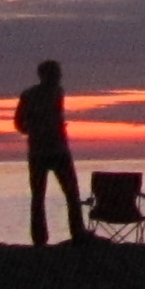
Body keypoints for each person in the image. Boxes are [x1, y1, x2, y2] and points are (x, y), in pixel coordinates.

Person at [14, 58, 91, 247]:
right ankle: (76, 232)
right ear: (47, 75)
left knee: (40, 196)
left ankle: (40, 238)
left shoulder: (30, 94)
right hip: (55, 150)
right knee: (69, 193)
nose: (59, 77)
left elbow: (19, 123)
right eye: (56, 73)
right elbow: (28, 121)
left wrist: (31, 129)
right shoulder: (55, 92)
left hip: (40, 151)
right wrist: (40, 128)